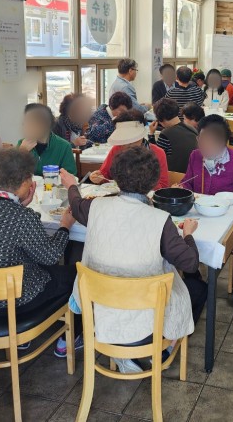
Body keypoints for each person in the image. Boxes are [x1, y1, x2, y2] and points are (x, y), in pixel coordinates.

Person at [63, 147, 206, 373]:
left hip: (100, 313)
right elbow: (190, 263)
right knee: (198, 288)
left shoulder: (95, 207)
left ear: (115, 178)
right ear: (153, 183)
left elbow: (76, 204)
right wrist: (188, 234)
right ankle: (161, 350)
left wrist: (72, 185)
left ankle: (122, 352)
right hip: (146, 323)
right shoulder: (160, 220)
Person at [0, 148, 80, 356]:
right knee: (77, 274)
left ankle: (23, 340)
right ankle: (71, 337)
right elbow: (51, 256)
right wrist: (65, 226)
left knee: (25, 260)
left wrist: (20, 204)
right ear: (25, 182)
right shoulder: (21, 217)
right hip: (9, 306)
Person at [179, 115, 233, 302]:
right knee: (183, 240)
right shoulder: (195, 156)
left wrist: (230, 209)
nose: (205, 146)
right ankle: (195, 280)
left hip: (229, 215)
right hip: (199, 215)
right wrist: (182, 187)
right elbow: (187, 182)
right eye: (202, 140)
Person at [90, 110, 169, 189]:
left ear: (141, 136)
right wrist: (98, 178)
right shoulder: (117, 149)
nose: (128, 144)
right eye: (124, 140)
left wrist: (139, 183)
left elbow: (163, 185)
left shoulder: (158, 153)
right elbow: (104, 175)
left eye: (133, 140)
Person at [17, 103, 76, 175]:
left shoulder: (64, 146)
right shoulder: (22, 143)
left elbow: (70, 175)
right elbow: (12, 174)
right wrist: (22, 152)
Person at [148, 98, 198, 173]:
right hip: (194, 173)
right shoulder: (192, 129)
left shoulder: (165, 134)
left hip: (175, 176)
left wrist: (151, 134)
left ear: (160, 119)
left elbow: (154, 157)